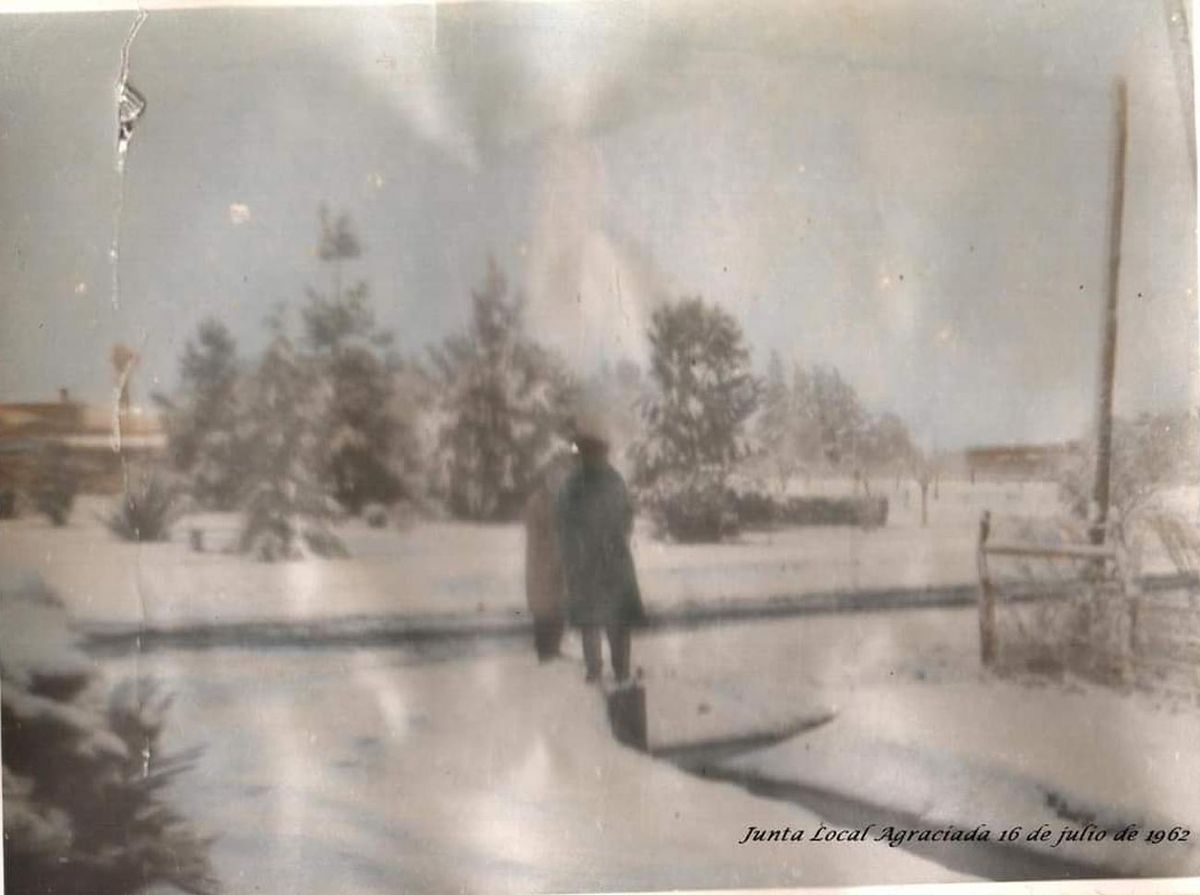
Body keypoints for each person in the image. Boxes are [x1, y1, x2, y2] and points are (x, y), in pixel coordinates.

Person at [555, 426, 646, 684]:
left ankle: (597, 671)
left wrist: (574, 550)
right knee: (612, 621)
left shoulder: (574, 484)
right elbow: (627, 516)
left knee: (593, 621)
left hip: (588, 562)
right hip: (611, 560)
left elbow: (562, 522)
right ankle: (618, 670)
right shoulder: (612, 480)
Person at [523, 451, 574, 661]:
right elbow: (536, 536)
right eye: (553, 477)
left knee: (559, 606)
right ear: (546, 478)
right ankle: (544, 651)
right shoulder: (536, 502)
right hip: (541, 564)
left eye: (560, 477)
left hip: (560, 563)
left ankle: (554, 648)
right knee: (543, 606)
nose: (556, 481)